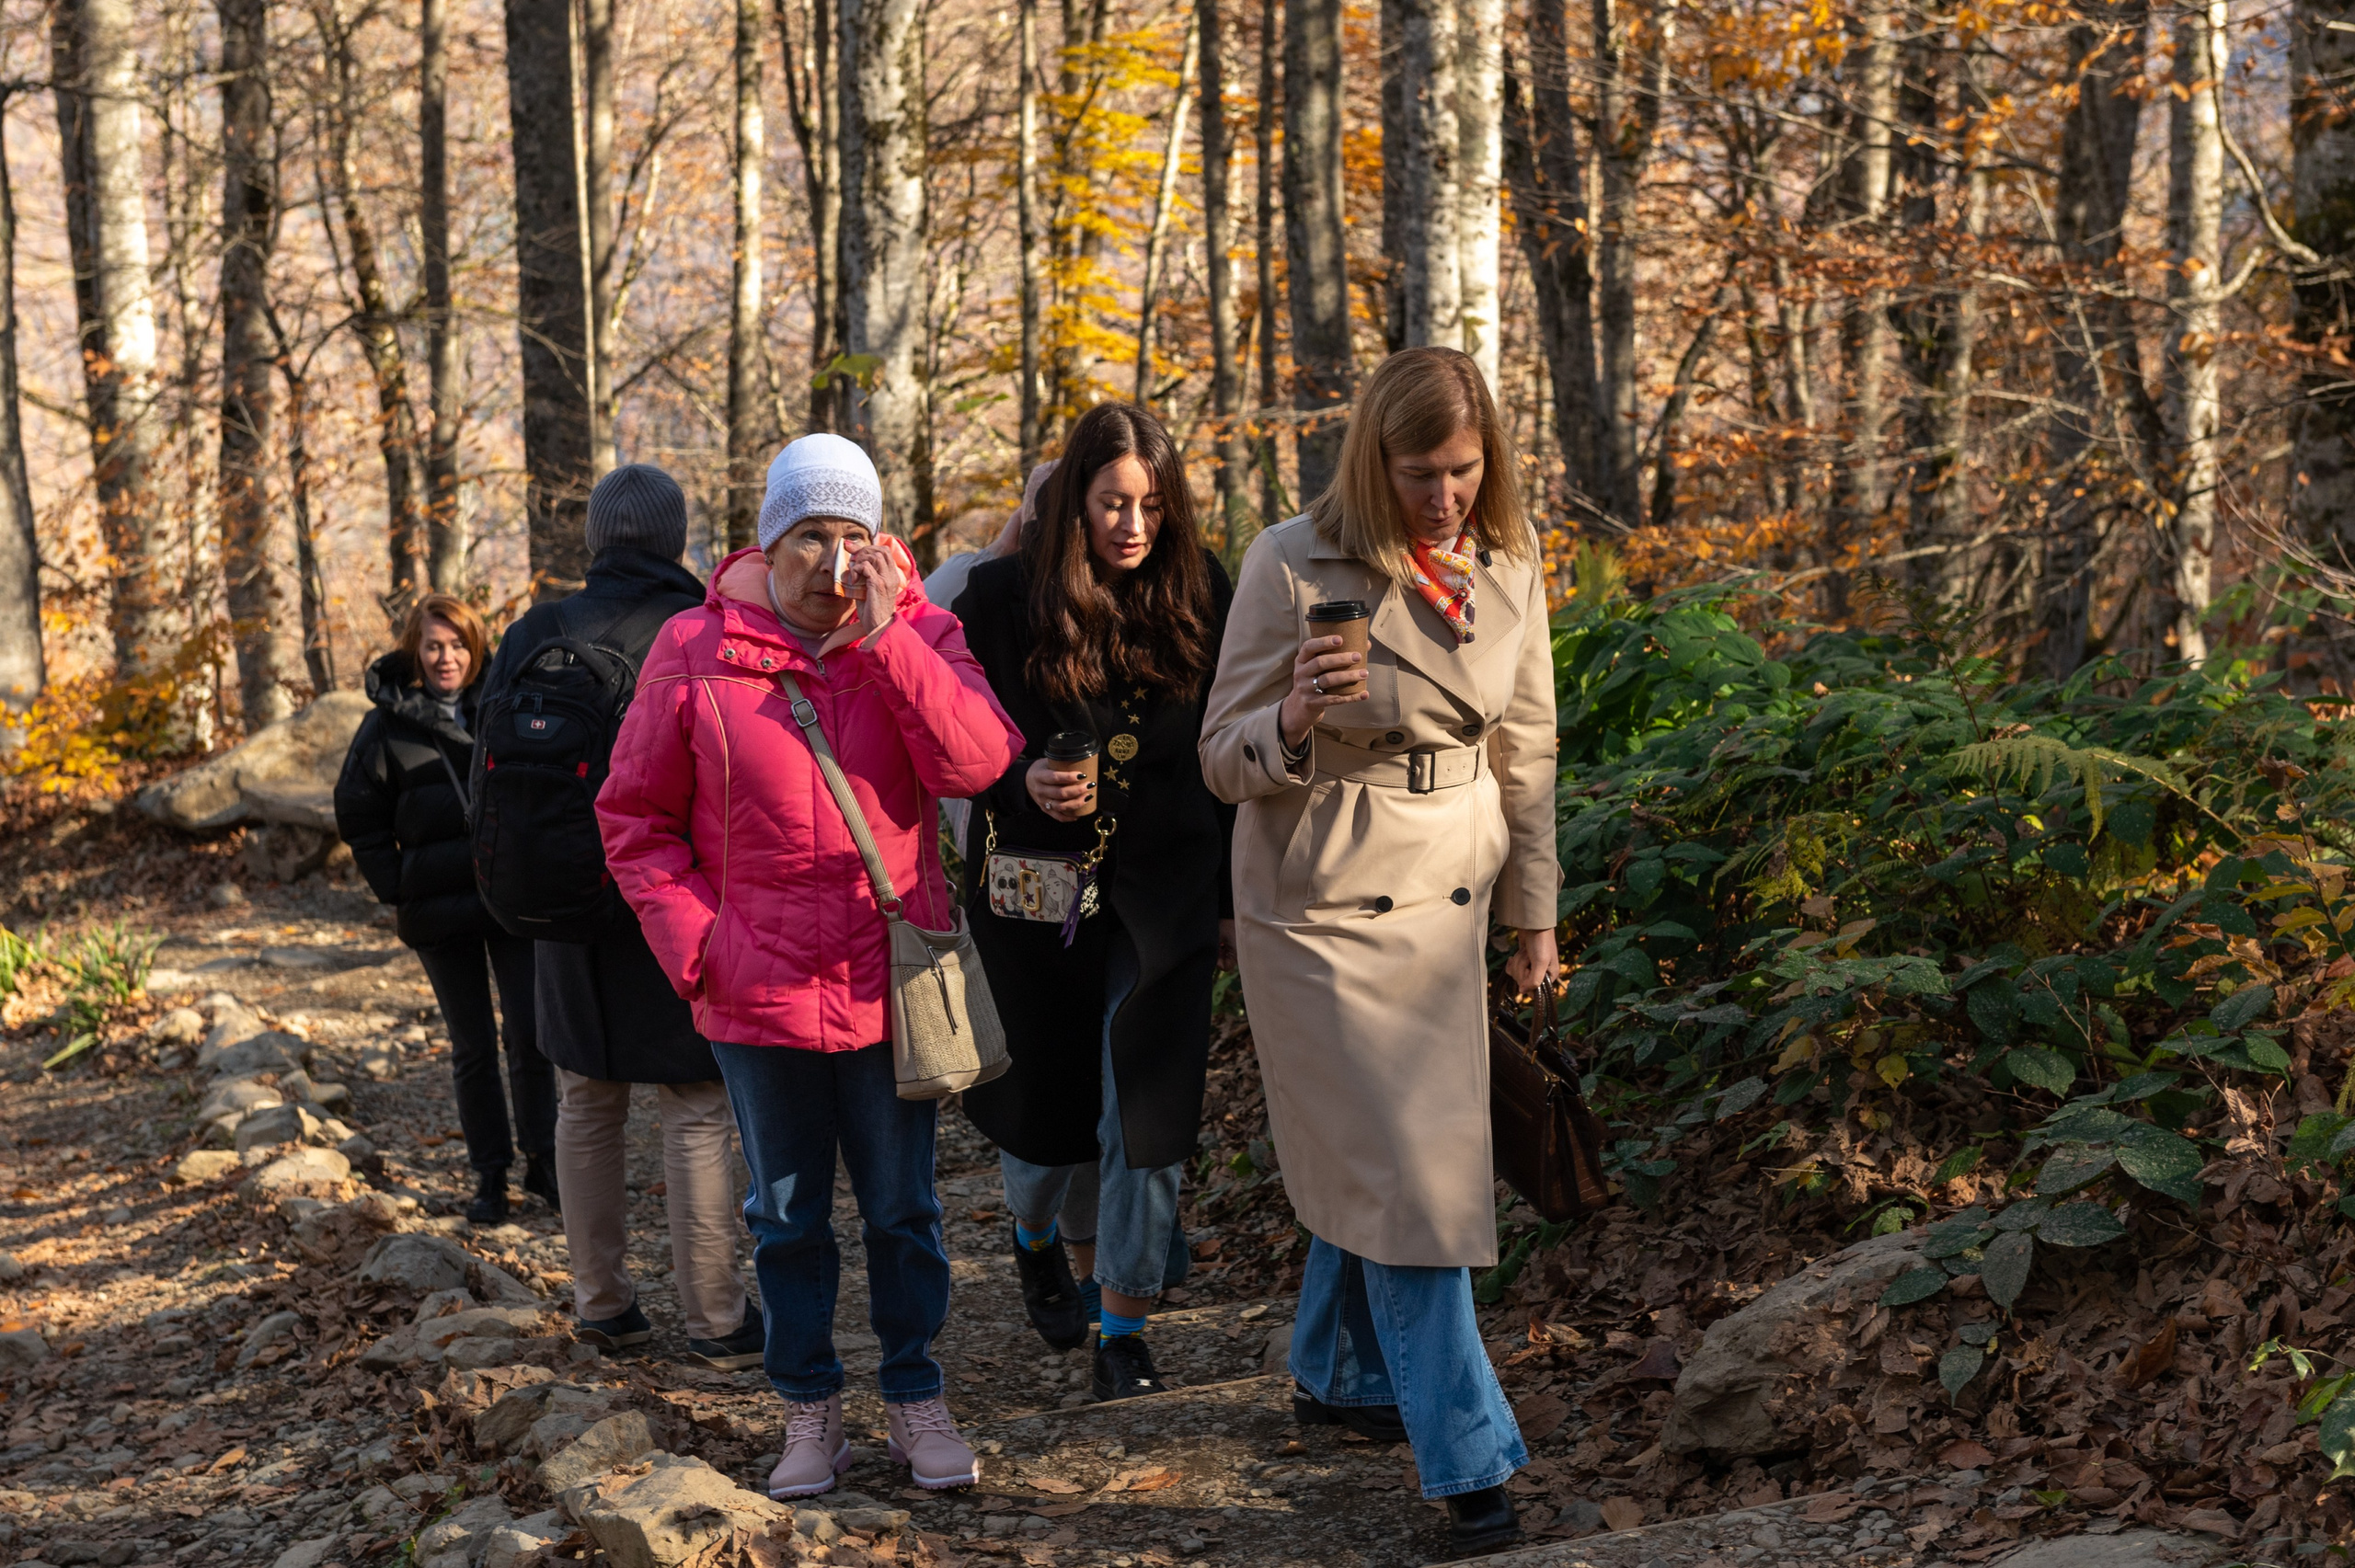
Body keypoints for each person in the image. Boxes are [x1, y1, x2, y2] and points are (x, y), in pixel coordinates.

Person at [597, 433, 1023, 1501]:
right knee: (785, 1218)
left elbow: (979, 761)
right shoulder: (694, 647)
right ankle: (808, 1408)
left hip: (888, 986)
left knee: (902, 1210)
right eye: (809, 538)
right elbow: (635, 821)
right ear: (768, 541)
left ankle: (915, 1394)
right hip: (757, 991)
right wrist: (702, 949)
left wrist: (889, 642)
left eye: (853, 539)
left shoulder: (921, 632)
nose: (833, 564)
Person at [1197, 346, 1561, 1557]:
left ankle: (1337, 1370)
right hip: (1320, 905)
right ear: (1374, 461)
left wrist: (1534, 917)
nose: (1443, 496)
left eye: (1463, 469)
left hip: (1448, 901)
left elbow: (1527, 752)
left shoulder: (1509, 563)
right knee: (1412, 1176)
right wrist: (1297, 711)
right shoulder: (1290, 561)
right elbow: (1220, 757)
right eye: (1418, 473)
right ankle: (1470, 1463)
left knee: (1386, 1156)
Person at [951, 403, 1233, 1402]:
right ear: (1074, 499)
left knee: (1144, 1116)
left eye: (1152, 505)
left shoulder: (1203, 590)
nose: (1133, 525)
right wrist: (1019, 776)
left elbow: (1221, 757)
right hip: (1036, 900)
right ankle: (1032, 1235)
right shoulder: (1000, 598)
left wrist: (1227, 902)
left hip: (1165, 891)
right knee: (1047, 1119)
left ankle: (1125, 1331)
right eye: (1113, 502)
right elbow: (952, 729)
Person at [475, 464, 761, 1370]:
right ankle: (717, 1319)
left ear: (597, 538)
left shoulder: (535, 631)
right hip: (675, 898)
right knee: (697, 1107)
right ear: (675, 537)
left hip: (563, 903)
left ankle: (603, 1307)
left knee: (585, 1101)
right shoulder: (700, 628)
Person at [335, 594, 557, 1225]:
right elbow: (356, 811)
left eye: (458, 644)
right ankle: (490, 1174)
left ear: (476, 647)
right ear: (415, 651)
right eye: (433, 646)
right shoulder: (386, 725)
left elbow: (541, 789)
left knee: (531, 1035)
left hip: (511, 901)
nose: (446, 657)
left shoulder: (505, 705)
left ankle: (544, 1162)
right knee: (472, 1046)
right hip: (437, 910)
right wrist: (398, 885)